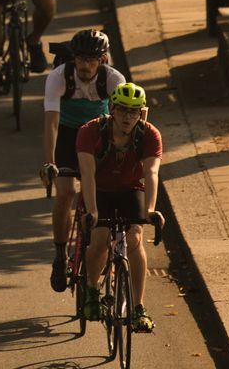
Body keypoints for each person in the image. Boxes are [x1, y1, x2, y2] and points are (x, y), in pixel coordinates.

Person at [39, 29, 125, 292]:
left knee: (100, 194)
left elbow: (124, 122)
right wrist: (48, 162)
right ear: (73, 59)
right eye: (80, 60)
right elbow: (51, 123)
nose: (85, 66)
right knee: (65, 193)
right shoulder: (58, 77)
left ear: (103, 59)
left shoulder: (113, 79)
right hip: (67, 134)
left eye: (92, 60)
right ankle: (60, 254)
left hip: (98, 133)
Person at [77, 82, 163, 333]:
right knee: (100, 236)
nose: (128, 116)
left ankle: (139, 308)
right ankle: (92, 291)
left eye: (134, 111)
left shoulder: (149, 134)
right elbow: (87, 174)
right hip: (99, 190)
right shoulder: (90, 132)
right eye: (123, 110)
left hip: (130, 190)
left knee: (135, 237)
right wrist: (92, 211)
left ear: (141, 113)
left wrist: (150, 210)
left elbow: (151, 172)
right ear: (112, 108)